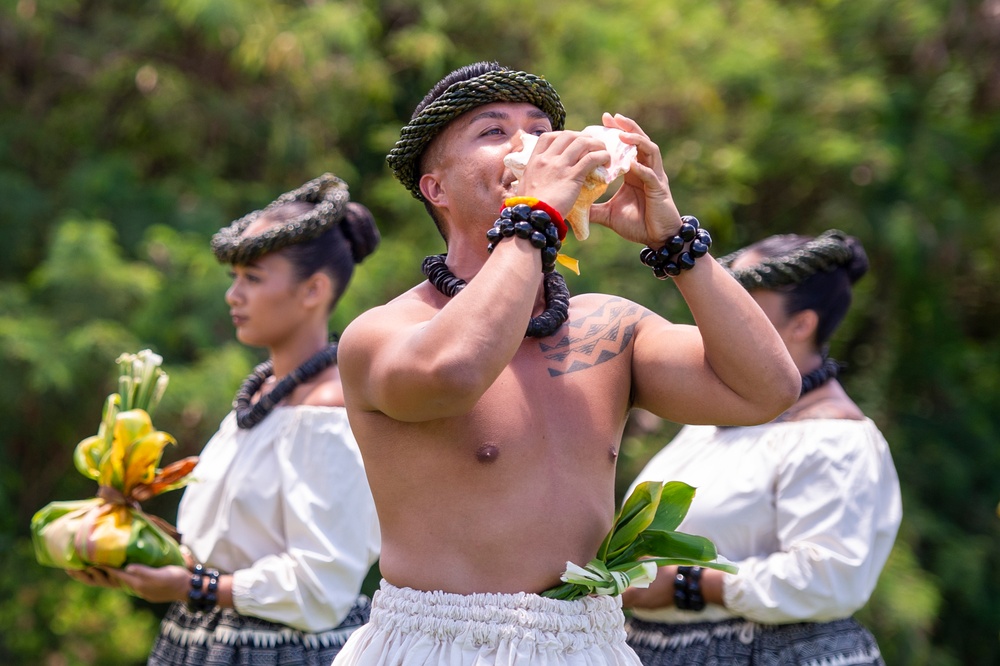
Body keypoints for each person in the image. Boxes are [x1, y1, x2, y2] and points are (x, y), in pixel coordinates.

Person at [331, 61, 801, 666]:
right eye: (494, 131)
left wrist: (674, 241)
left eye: (540, 128)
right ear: (436, 189)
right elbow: (455, 373)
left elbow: (767, 389)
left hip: (588, 648)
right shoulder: (386, 331)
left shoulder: (611, 327)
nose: (531, 145)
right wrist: (534, 219)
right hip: (437, 648)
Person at [68, 174, 382, 666]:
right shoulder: (260, 397)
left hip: (281, 653)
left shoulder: (329, 414)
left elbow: (322, 585)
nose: (233, 295)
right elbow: (225, 546)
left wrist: (192, 584)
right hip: (194, 641)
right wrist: (127, 546)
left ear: (313, 290)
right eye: (234, 278)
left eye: (253, 278)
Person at [621, 230, 902, 665]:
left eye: (745, 301)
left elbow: (829, 577)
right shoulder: (708, 425)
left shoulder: (835, 439)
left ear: (802, 324)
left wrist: (688, 583)